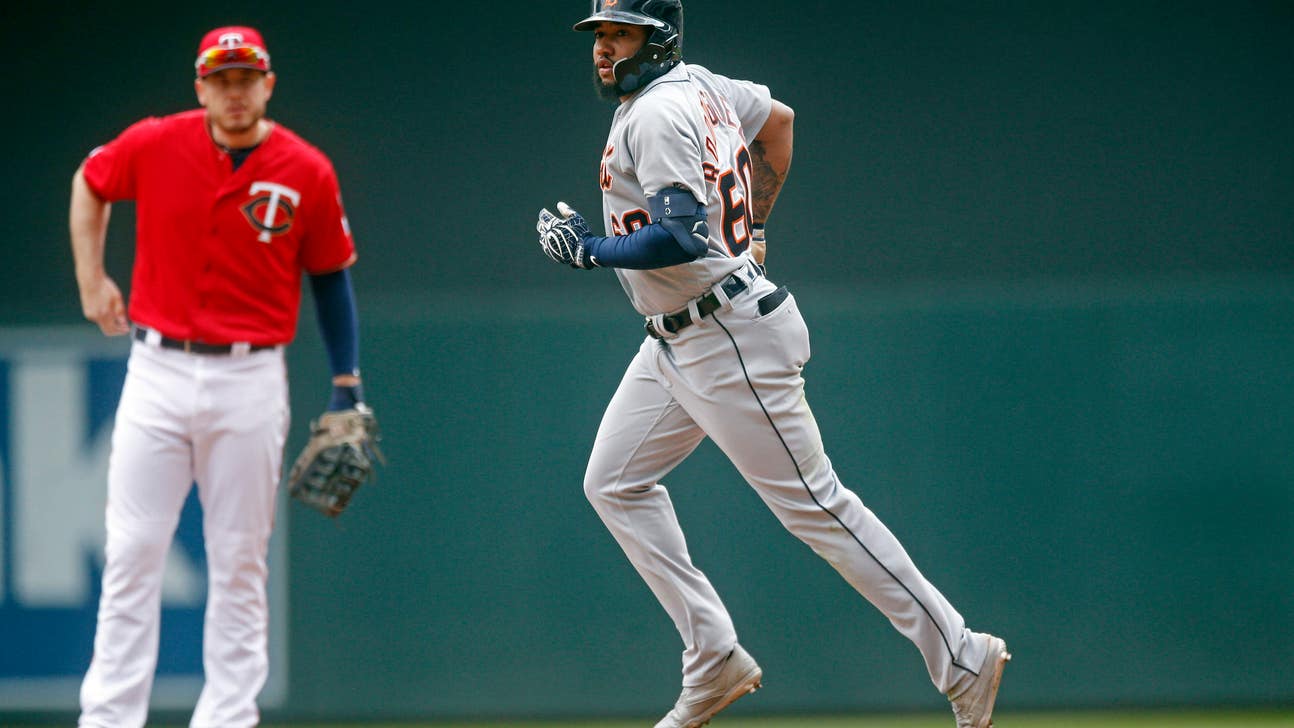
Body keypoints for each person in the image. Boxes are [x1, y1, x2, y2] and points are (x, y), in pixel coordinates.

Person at [535, 2, 1009, 727]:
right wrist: (754, 227)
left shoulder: (659, 111)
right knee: (614, 481)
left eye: (620, 33)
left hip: (724, 332)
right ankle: (714, 656)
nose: (602, 48)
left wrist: (588, 249)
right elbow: (779, 120)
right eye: (598, 34)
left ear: (658, 38)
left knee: (818, 508)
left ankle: (961, 654)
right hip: (676, 338)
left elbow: (680, 237)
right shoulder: (704, 86)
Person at [69, 26, 370, 728]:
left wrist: (345, 383)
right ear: (200, 87)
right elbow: (90, 182)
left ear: (268, 84)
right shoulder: (155, 142)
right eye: (221, 79)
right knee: (133, 552)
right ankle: (108, 719)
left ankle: (228, 719)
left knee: (238, 561)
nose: (234, 91)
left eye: (246, 78)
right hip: (156, 368)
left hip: (250, 378)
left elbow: (330, 278)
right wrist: (91, 281)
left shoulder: (307, 169)